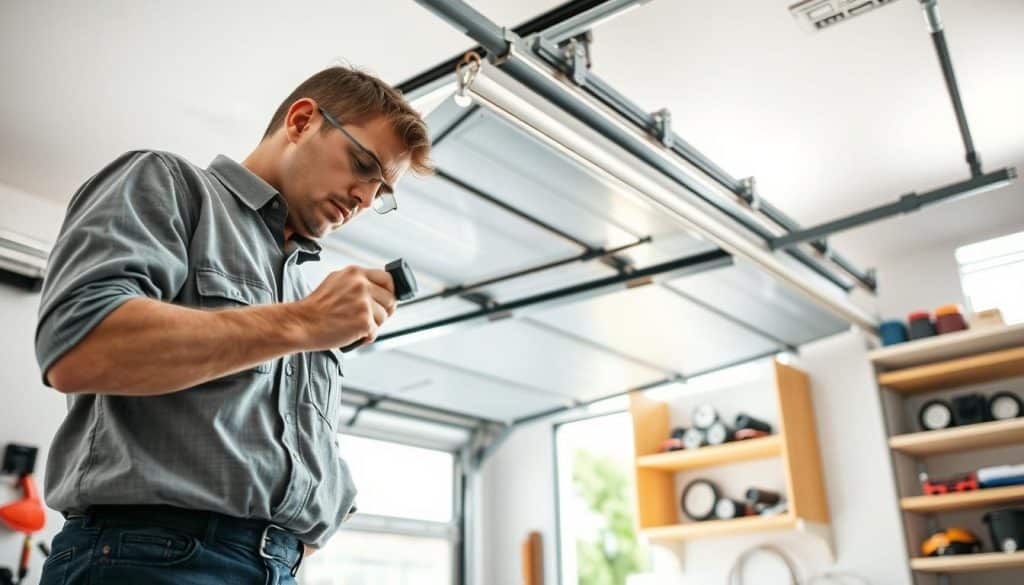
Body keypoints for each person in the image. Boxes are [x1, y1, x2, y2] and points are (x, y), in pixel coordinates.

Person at [34, 65, 432, 584]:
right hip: (149, 560)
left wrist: (326, 505)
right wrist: (306, 322)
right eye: (362, 164)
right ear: (302, 120)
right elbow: (79, 346)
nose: (363, 198)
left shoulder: (298, 291)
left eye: (380, 192)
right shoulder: (170, 185)